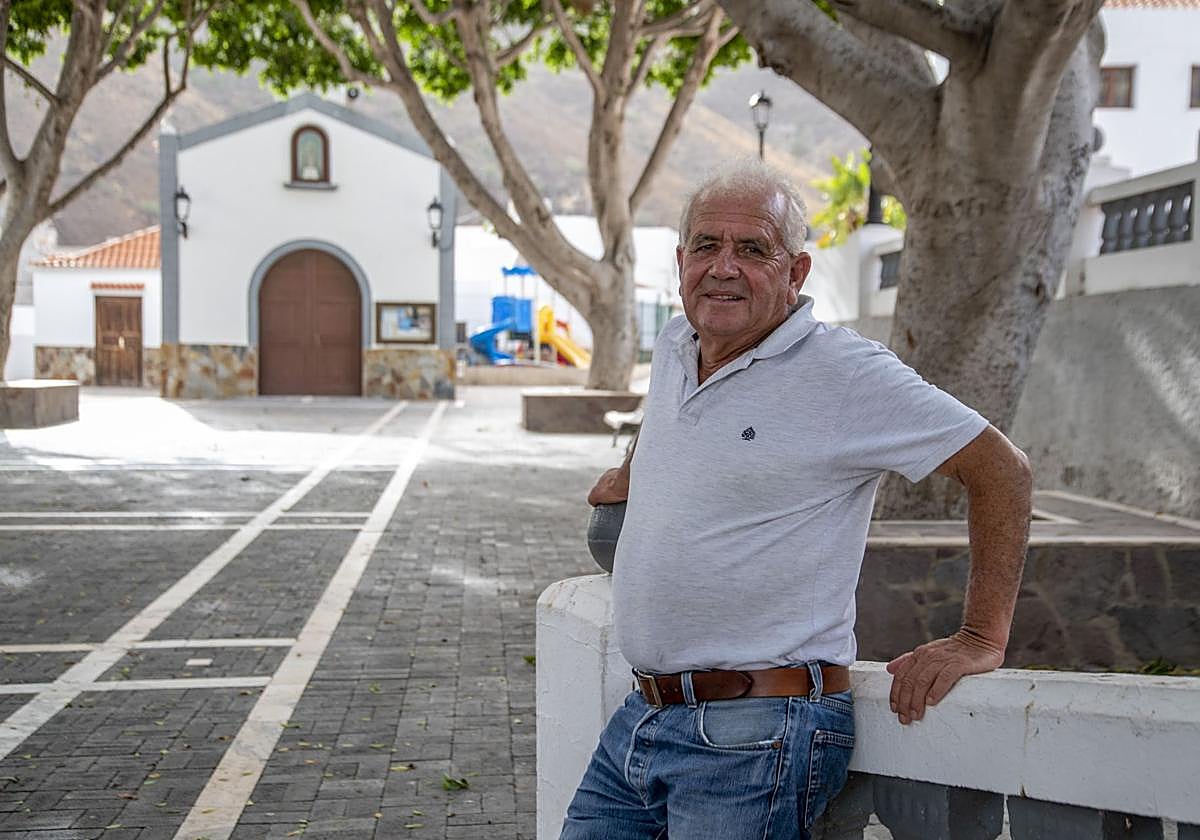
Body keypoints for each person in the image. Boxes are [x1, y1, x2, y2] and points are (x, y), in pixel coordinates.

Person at [561, 159, 1033, 839]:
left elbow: (1003, 470)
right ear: (681, 261)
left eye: (753, 249)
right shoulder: (677, 342)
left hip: (760, 732)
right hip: (645, 716)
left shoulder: (844, 372)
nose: (723, 267)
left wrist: (980, 637)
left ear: (796, 273)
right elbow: (676, 423)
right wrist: (634, 470)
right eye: (706, 245)